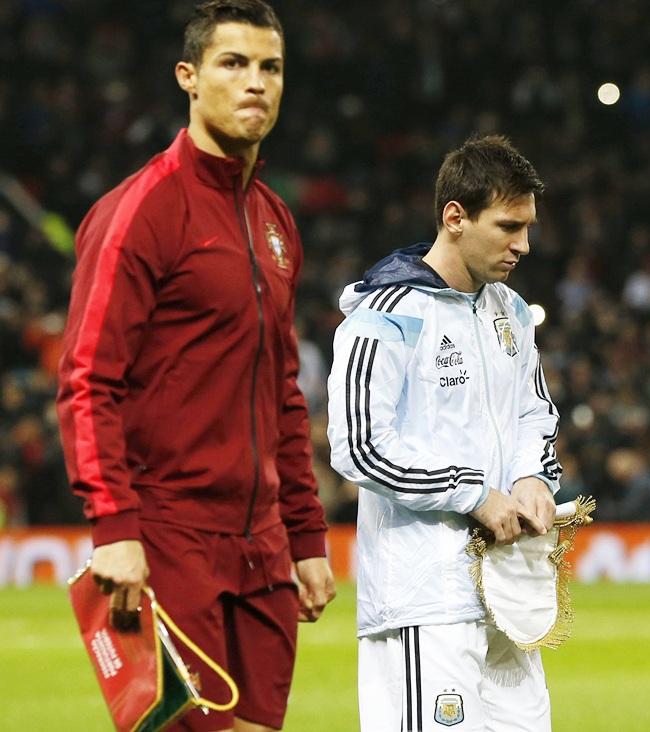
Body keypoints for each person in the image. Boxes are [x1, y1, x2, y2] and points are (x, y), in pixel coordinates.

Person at [56, 2, 335, 730]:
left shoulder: (274, 221)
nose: (256, 84)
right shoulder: (141, 211)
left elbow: (282, 395)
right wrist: (114, 525)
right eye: (233, 64)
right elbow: (88, 379)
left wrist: (305, 535)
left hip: (265, 549)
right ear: (188, 77)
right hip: (170, 537)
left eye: (270, 67)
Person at [327, 135, 561, 732]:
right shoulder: (385, 316)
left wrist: (532, 477)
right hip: (425, 596)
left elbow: (534, 414)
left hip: (508, 592)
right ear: (455, 217)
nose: (523, 245)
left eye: (528, 227)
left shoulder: (508, 310)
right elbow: (357, 446)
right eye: (509, 226)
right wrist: (475, 493)